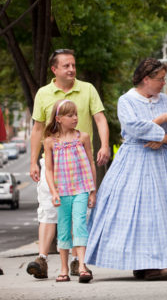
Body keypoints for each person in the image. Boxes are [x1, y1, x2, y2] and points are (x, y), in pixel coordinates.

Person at [85, 58, 167, 280]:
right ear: (146, 79)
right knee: (136, 212)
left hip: (160, 164)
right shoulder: (126, 100)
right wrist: (159, 123)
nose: (163, 83)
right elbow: (133, 127)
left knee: (160, 213)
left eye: (165, 79)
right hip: (134, 160)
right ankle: (144, 264)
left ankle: (155, 264)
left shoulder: (165, 99)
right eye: (160, 79)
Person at [27, 49, 110, 280]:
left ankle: (76, 262)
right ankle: (42, 258)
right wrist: (33, 161)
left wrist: (104, 145)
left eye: (73, 65)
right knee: (47, 209)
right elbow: (36, 128)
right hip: (53, 161)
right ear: (54, 69)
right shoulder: (43, 93)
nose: (71, 69)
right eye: (66, 66)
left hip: (80, 164)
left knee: (79, 216)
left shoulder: (88, 89)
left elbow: (100, 118)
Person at [43, 99, 96, 283]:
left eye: (76, 114)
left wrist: (92, 190)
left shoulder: (83, 137)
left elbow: (91, 163)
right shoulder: (50, 142)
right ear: (59, 118)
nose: (75, 118)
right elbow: (48, 170)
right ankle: (64, 268)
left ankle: (82, 265)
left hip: (81, 188)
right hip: (62, 192)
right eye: (70, 115)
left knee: (80, 223)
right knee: (64, 228)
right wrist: (54, 192)